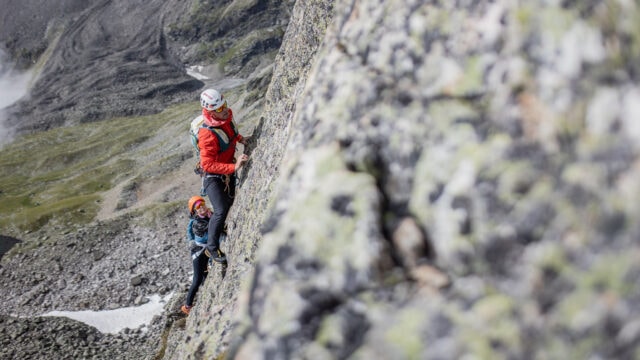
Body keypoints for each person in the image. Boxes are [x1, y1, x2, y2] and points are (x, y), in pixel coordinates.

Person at [197, 88, 249, 264]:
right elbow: (207, 164)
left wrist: (241, 139)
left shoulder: (224, 118)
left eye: (224, 104)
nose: (225, 109)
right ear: (211, 111)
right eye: (219, 109)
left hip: (226, 171)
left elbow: (230, 133)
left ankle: (222, 229)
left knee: (230, 201)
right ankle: (212, 247)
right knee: (220, 210)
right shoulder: (206, 134)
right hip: (213, 176)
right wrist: (233, 167)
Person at [182, 196, 212, 315]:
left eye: (202, 205)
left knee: (205, 275)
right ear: (194, 211)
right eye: (198, 207)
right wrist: (191, 241)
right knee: (197, 279)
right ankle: (187, 306)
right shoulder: (195, 221)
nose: (201, 208)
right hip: (199, 251)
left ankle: (208, 294)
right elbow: (190, 232)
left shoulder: (210, 215)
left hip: (206, 249)